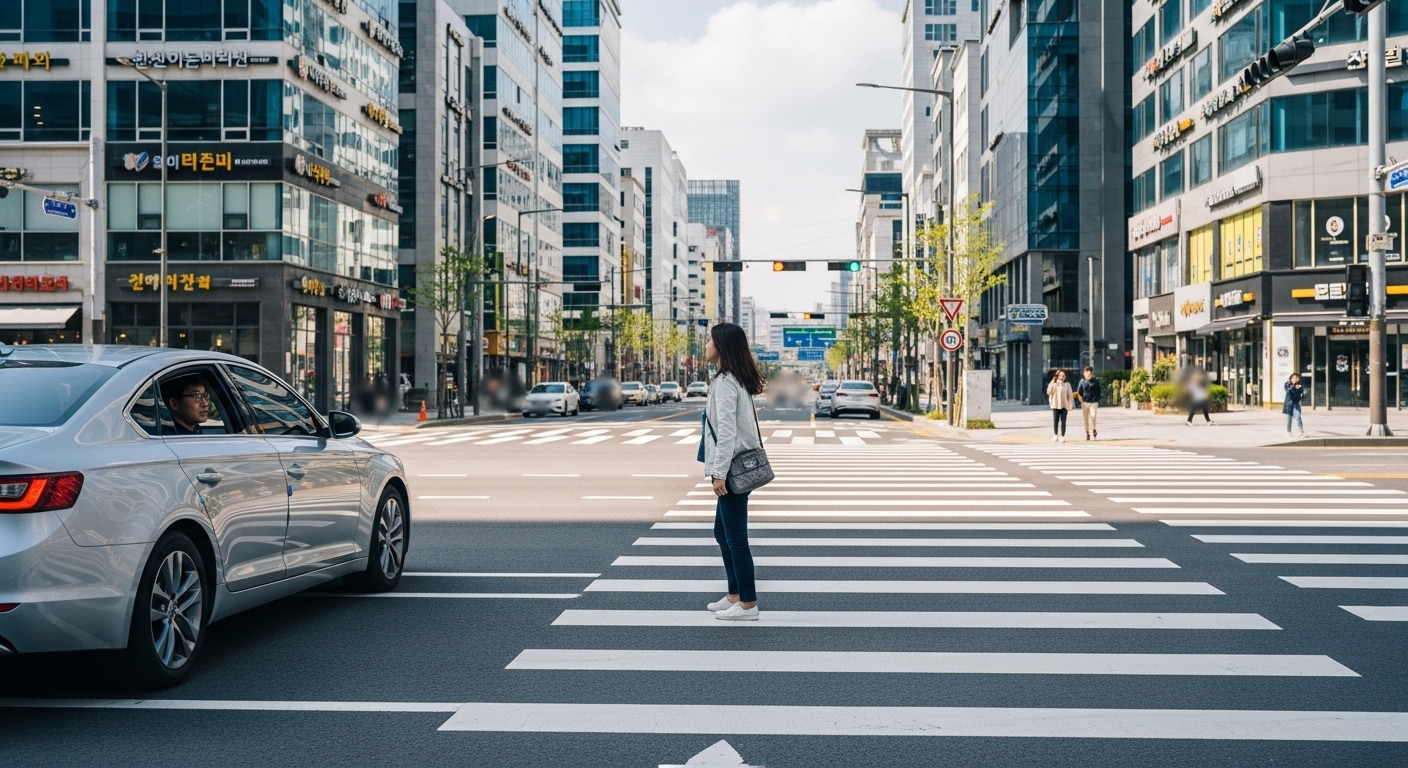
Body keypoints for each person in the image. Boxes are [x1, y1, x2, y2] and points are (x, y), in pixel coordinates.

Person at [701, 322, 767, 621]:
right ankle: (734, 594)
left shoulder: (727, 382)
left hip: (732, 468)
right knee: (721, 532)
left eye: (709, 341)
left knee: (736, 538)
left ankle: (748, 604)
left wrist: (719, 473)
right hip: (735, 464)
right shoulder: (731, 379)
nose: (706, 346)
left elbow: (726, 432)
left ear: (722, 347)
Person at [1046, 369, 1073, 443]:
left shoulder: (1067, 385)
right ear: (1057, 376)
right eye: (1060, 375)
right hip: (1055, 405)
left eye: (1063, 375)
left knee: (1063, 421)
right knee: (1055, 421)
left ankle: (1062, 436)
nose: (1062, 377)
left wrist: (1070, 405)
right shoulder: (1054, 384)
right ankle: (1055, 434)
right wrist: (1054, 378)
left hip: (1064, 406)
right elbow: (1048, 391)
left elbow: (1070, 395)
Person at [1075, 366, 1102, 440]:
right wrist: (1080, 400)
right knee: (1085, 418)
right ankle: (1087, 432)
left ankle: (1094, 428)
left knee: (1093, 416)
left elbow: (1098, 390)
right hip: (1085, 402)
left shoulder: (1095, 381)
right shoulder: (1082, 381)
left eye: (1089, 372)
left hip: (1093, 402)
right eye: (1086, 372)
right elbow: (1079, 391)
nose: (1087, 374)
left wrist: (1097, 398)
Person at [1284, 372, 1306, 438]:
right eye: (1293, 378)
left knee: (1298, 416)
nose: (1294, 379)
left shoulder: (1300, 386)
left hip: (1296, 404)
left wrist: (1299, 389)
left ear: (1298, 379)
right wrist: (1294, 387)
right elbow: (1288, 389)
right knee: (1289, 419)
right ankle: (1289, 431)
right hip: (1289, 403)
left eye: (1296, 378)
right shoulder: (1288, 384)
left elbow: (1301, 395)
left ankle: (1301, 431)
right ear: (1290, 378)